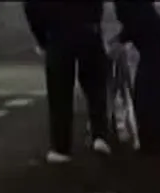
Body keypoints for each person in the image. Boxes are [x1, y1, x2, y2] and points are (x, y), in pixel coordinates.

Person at [24, 0, 112, 163]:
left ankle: (61, 147)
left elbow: (31, 6)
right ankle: (100, 134)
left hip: (58, 33)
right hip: (88, 30)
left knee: (59, 92)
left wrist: (42, 38)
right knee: (96, 87)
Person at [114, 0, 160, 153]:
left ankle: (152, 140)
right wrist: (121, 38)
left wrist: (120, 40)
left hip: (154, 42)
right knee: (155, 89)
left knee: (146, 91)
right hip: (156, 39)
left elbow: (136, 21)